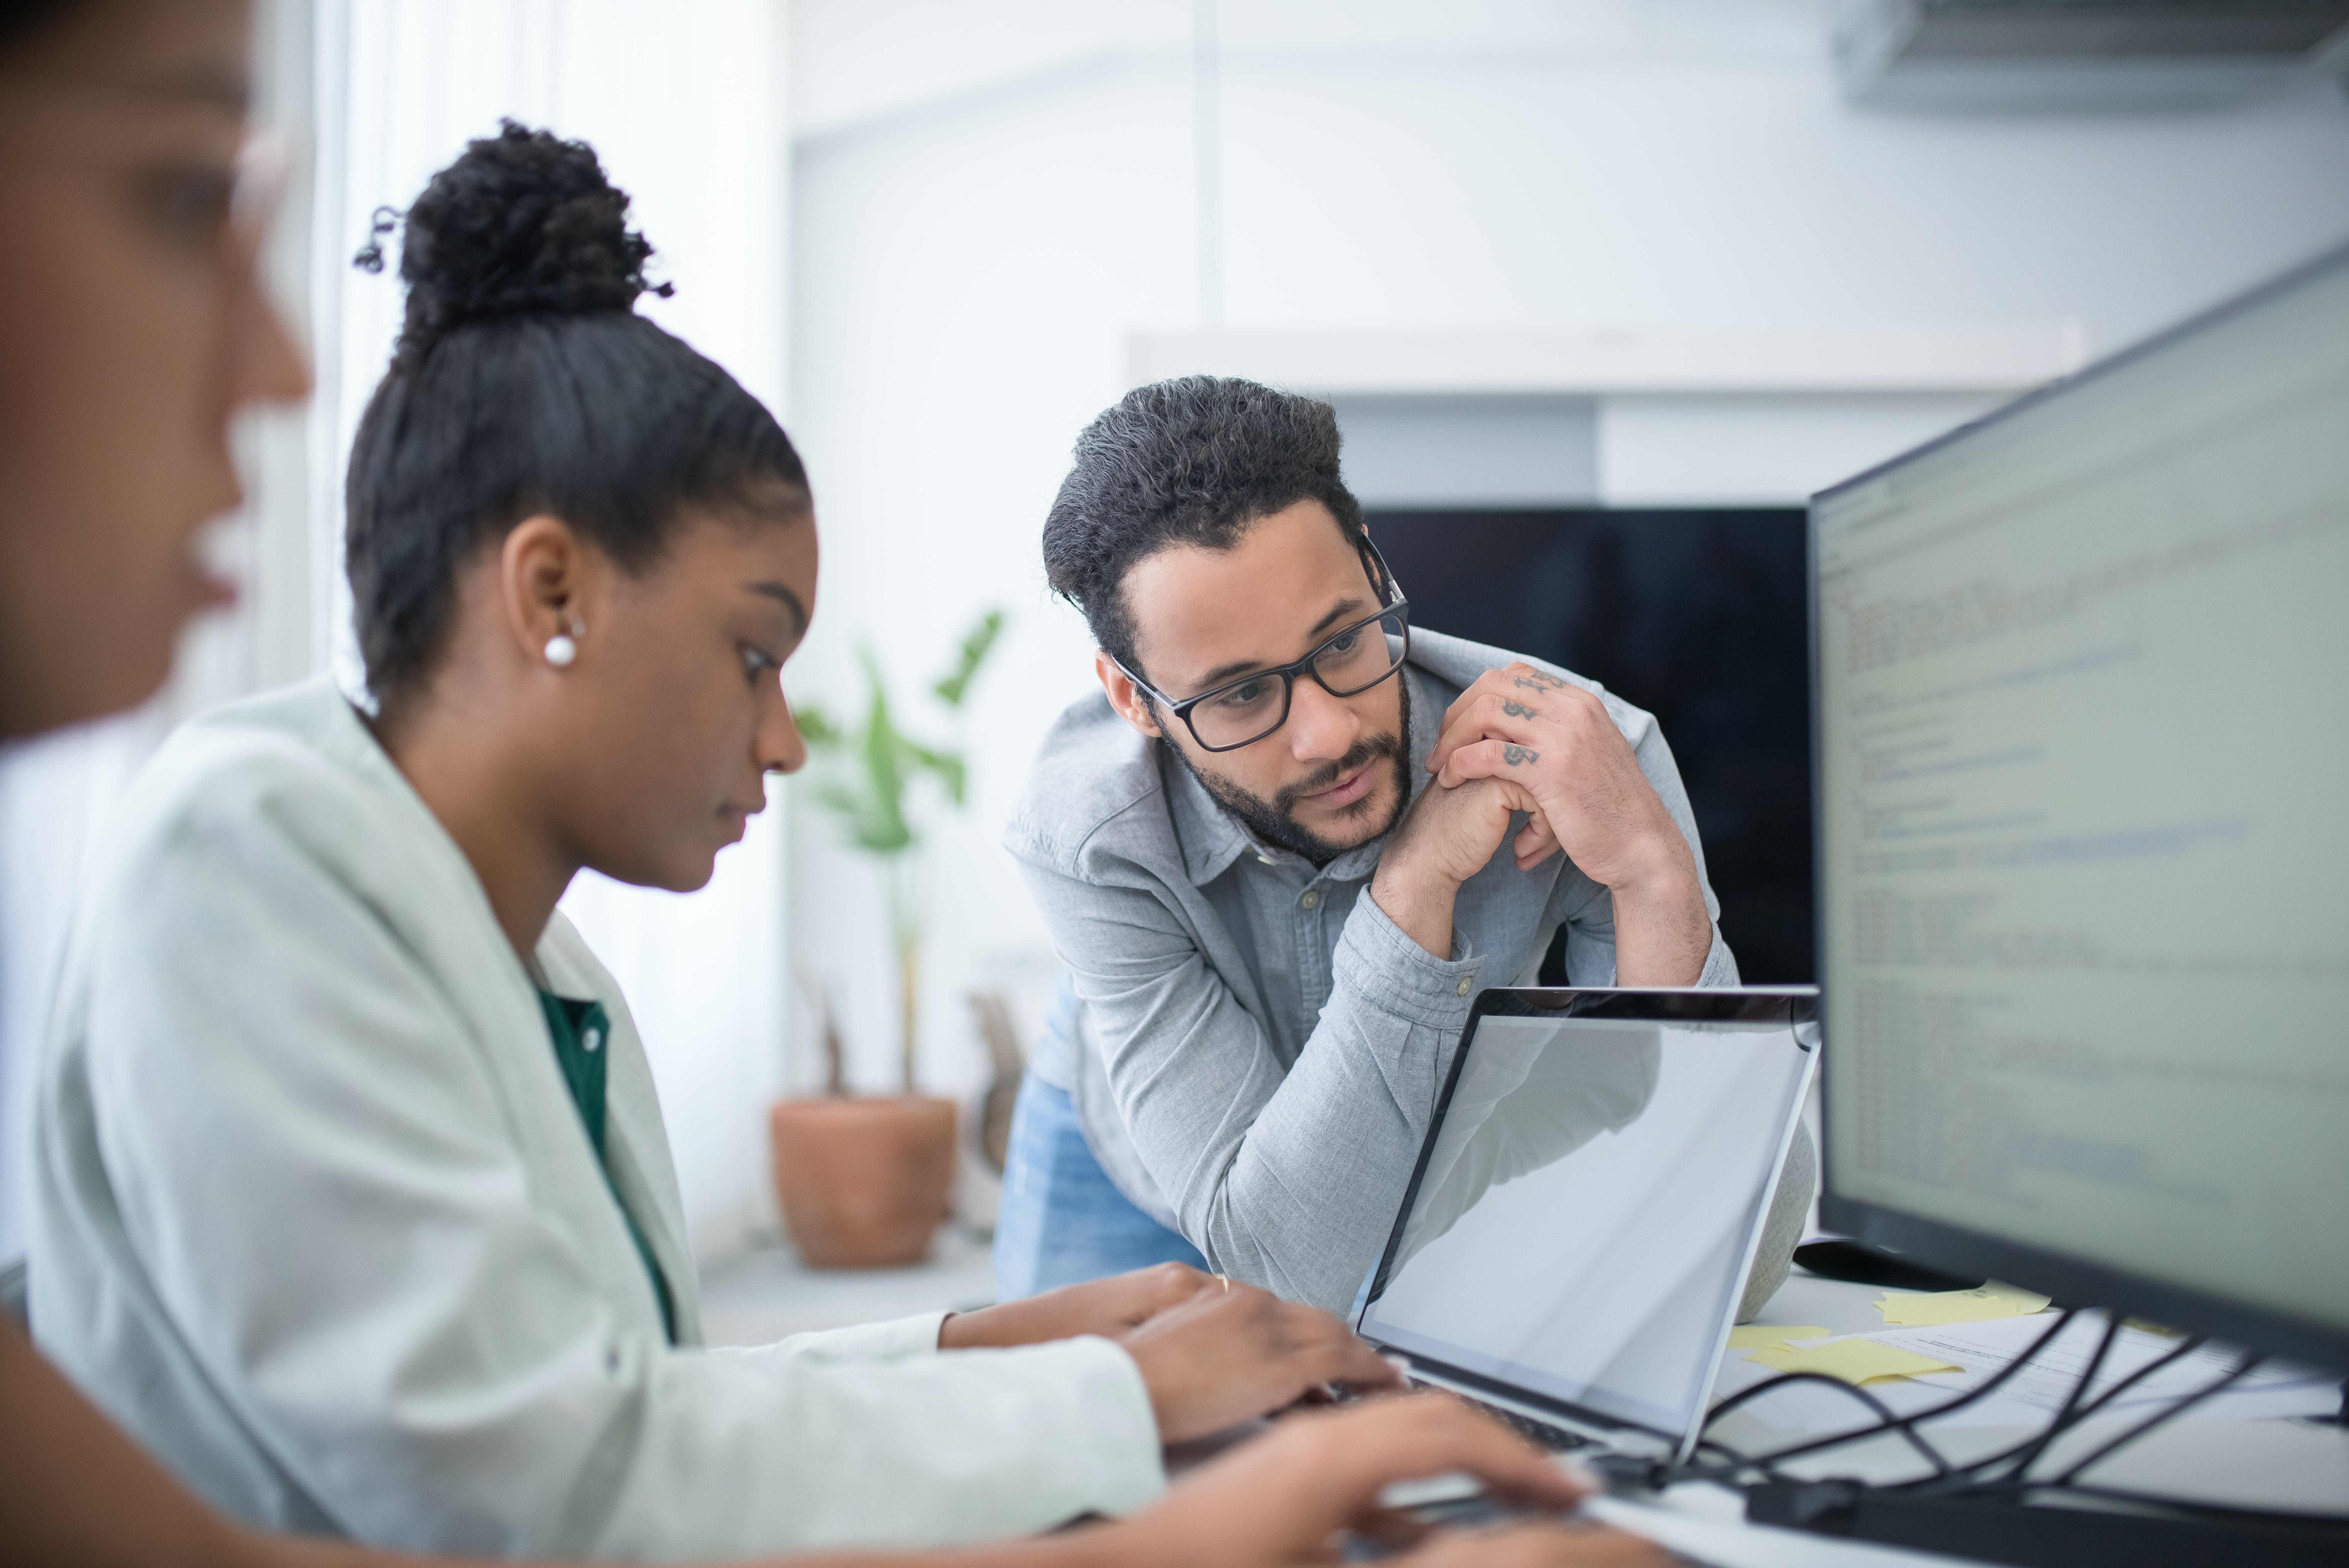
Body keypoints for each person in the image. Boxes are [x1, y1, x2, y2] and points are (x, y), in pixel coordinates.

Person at [0, 8, 1660, 1559]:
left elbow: (614, 1408)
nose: (785, 737)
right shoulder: (257, 850)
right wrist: (1174, 1463)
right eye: (752, 650)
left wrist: (994, 1339)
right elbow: (549, 1496)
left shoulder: (534, 962)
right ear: (553, 594)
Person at [996, 378, 1814, 1315]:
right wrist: (1414, 883)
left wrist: (1652, 873)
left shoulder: (1586, 758)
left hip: (1443, 1155)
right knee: (1083, 1442)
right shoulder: (1087, 840)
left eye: (1342, 638)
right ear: (1133, 697)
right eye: (1238, 696)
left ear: (1376, 571)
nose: (1329, 735)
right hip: (1142, 1175)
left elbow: (1736, 1274)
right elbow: (1287, 1271)